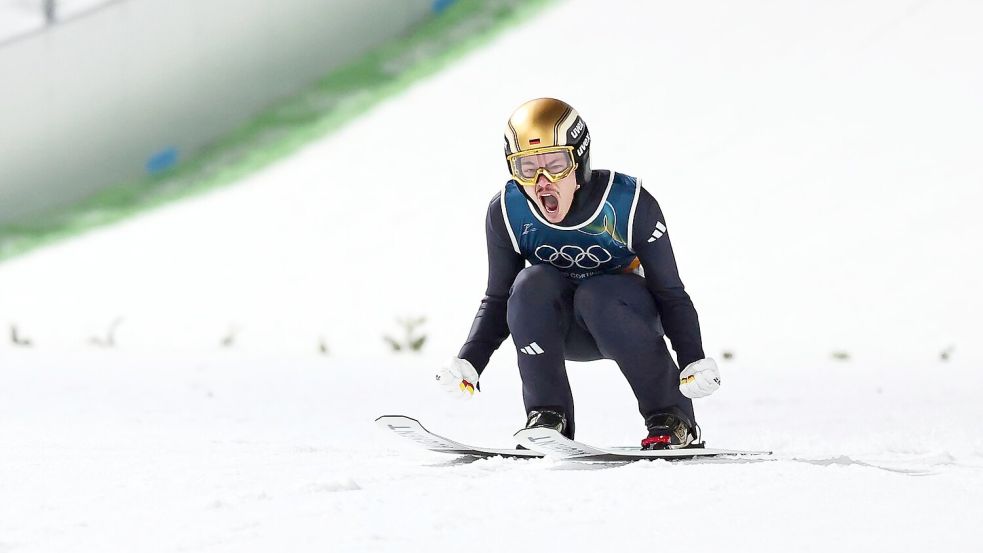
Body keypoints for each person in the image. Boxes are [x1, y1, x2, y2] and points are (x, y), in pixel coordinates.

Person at [434, 98, 721, 449]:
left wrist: (692, 357)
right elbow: (499, 299)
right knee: (529, 284)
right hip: (560, 328)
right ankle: (548, 415)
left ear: (579, 162)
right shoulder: (507, 211)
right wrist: (470, 361)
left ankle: (672, 416)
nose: (542, 182)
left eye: (556, 164)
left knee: (596, 294)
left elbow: (671, 293)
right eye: (526, 168)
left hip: (627, 318)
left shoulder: (627, 203)